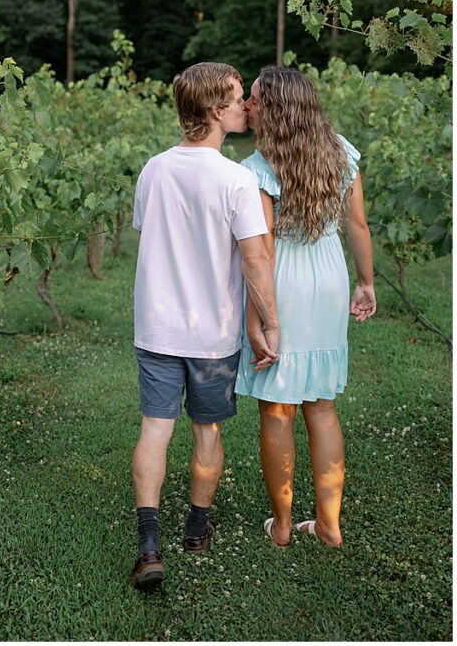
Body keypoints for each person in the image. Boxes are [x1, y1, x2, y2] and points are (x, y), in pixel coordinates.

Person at [129, 62, 280, 590]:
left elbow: (149, 233)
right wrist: (271, 322)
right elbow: (256, 261)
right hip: (212, 333)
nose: (245, 107)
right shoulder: (237, 179)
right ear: (216, 110)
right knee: (206, 430)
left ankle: (149, 543)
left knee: (155, 429)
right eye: (239, 99)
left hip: (156, 326)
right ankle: (196, 526)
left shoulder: (153, 169)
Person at [235, 67, 375, 548]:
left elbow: (264, 250)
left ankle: (281, 527)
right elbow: (357, 226)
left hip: (285, 282)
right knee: (323, 407)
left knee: (277, 408)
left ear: (273, 109)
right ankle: (330, 526)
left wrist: (257, 317)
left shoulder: (258, 167)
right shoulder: (340, 150)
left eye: (253, 100)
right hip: (331, 275)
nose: (247, 106)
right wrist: (367, 282)